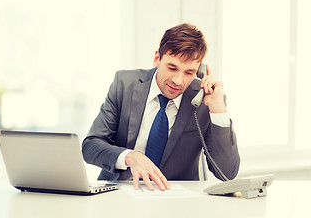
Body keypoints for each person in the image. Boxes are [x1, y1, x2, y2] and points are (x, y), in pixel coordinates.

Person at [82, 23, 240, 191]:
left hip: (175, 198)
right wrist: (130, 156)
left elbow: (227, 173)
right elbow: (91, 146)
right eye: (172, 68)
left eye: (189, 72)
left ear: (199, 71)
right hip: (120, 191)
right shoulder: (125, 84)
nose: (178, 81)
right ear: (157, 58)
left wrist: (217, 110)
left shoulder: (205, 100)